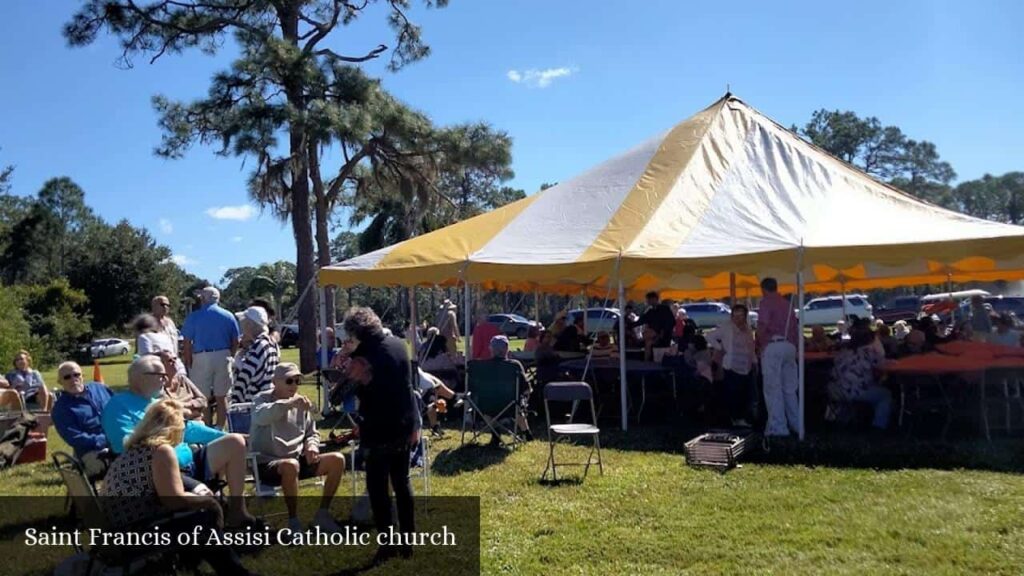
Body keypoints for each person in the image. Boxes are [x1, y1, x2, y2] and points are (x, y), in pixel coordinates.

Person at [101, 398, 253, 576]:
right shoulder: (161, 451)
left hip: (120, 528)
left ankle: (191, 563)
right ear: (174, 428)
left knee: (199, 511)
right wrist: (210, 502)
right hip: (138, 531)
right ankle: (234, 572)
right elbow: (174, 500)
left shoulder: (134, 450)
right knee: (204, 515)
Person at [102, 355, 255, 527]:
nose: (166, 379)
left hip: (188, 463)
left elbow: (187, 428)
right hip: (161, 474)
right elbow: (128, 445)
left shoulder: (158, 402)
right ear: (141, 377)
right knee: (201, 497)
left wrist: (223, 436)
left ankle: (238, 511)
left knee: (235, 442)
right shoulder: (118, 406)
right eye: (161, 375)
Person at [342, 307, 419, 563]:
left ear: (355, 332)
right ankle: (408, 541)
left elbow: (341, 394)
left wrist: (345, 360)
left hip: (377, 426)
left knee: (378, 488)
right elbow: (409, 387)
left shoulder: (364, 355)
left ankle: (387, 544)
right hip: (404, 421)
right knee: (402, 481)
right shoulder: (399, 344)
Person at [251, 363, 345, 533]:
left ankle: (322, 515)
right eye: (289, 381)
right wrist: (288, 404)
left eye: (297, 381)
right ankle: (294, 522)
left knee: (337, 460)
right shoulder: (261, 399)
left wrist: (311, 446)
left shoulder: (301, 404)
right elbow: (261, 417)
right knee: (290, 465)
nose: (294, 385)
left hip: (296, 460)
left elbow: (312, 432)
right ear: (274, 382)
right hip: (267, 463)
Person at [182, 286, 241, 428]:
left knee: (202, 396)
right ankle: (220, 427)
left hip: (201, 356)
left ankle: (206, 426)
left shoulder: (194, 316)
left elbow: (187, 342)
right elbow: (236, 340)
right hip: (223, 355)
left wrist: (188, 359)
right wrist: (230, 355)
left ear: (203, 298)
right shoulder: (228, 315)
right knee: (222, 396)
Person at [756, 277, 800, 438]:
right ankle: (797, 424)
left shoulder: (766, 302)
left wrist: (759, 344)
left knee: (773, 389)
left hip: (773, 345)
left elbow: (762, 325)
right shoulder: (787, 304)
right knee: (790, 389)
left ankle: (778, 427)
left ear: (763, 289)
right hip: (789, 346)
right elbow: (795, 329)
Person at [829, 320, 892, 431]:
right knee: (885, 395)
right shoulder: (869, 352)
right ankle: (878, 427)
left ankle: (842, 421)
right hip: (856, 391)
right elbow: (882, 365)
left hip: (836, 390)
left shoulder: (842, 352)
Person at [52, 361, 113, 475]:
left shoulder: (100, 388)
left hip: (119, 439)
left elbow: (119, 408)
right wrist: (104, 440)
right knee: (122, 464)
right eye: (67, 377)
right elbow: (75, 438)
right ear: (60, 382)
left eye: (76, 375)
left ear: (82, 375)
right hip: (92, 450)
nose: (73, 379)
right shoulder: (60, 409)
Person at [707, 305, 757, 427]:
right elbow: (709, 336)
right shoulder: (727, 327)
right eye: (735, 315)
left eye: (740, 315)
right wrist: (720, 348)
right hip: (732, 366)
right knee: (733, 393)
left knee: (745, 394)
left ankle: (742, 418)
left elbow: (750, 347)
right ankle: (734, 418)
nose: (737, 318)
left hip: (746, 366)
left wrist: (755, 360)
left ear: (745, 316)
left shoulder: (748, 329)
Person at [484, 335, 534, 443]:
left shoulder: (483, 367)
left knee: (488, 404)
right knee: (519, 402)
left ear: (491, 349)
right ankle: (526, 432)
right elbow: (526, 389)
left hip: (485, 406)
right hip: (511, 405)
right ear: (506, 349)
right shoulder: (514, 365)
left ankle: (495, 433)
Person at [230, 306, 281, 406]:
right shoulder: (272, 343)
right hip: (266, 397)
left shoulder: (259, 345)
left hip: (253, 400)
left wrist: (238, 357)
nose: (242, 326)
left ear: (250, 324)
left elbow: (245, 375)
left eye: (244, 322)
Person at [158, 350, 207, 421]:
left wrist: (185, 404)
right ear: (161, 366)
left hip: (197, 422)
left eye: (175, 359)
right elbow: (169, 410)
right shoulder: (159, 386)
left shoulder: (182, 379)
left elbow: (203, 400)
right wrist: (191, 412)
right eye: (170, 360)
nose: (174, 362)